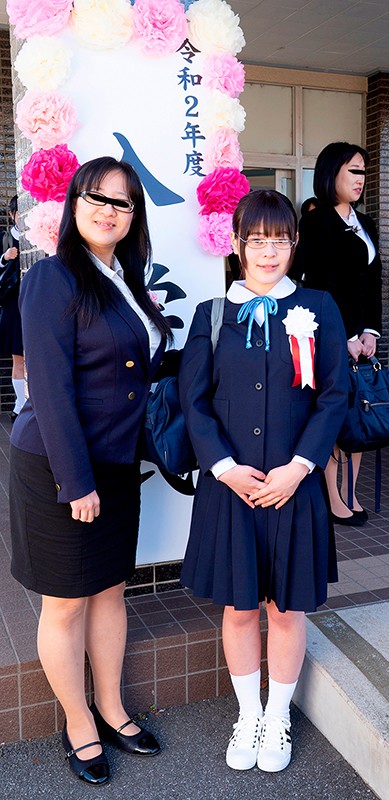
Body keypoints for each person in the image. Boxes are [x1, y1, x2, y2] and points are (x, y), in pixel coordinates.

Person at [9, 157, 172, 785]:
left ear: (134, 217)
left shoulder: (126, 278)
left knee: (109, 590)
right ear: (73, 204)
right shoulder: (51, 278)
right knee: (66, 603)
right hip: (60, 465)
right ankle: (78, 722)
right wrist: (76, 482)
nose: (108, 210)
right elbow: (49, 389)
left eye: (122, 202)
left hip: (117, 461)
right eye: (95, 197)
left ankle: (112, 707)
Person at [179, 189, 348, 773]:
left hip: (294, 488)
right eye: (257, 240)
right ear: (236, 244)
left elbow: (334, 395)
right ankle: (248, 714)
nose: (269, 252)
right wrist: (223, 468)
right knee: (239, 608)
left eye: (280, 240)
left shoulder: (319, 307)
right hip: (231, 490)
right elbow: (194, 401)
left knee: (286, 610)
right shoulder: (212, 315)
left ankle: (278, 717)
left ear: (294, 244)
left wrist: (300, 467)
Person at [291, 141, 382, 526]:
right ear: (332, 174)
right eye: (353, 170)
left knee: (357, 416)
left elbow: (372, 283)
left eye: (363, 171)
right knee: (333, 415)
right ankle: (332, 496)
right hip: (330, 338)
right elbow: (318, 286)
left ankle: (350, 492)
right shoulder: (316, 222)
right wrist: (344, 335)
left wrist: (371, 332)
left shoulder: (366, 222)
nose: (361, 179)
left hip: (362, 340)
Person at [0, 195, 24, 421]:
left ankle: (31, 404)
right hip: (13, 305)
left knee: (36, 358)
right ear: (12, 214)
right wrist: (4, 258)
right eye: (18, 213)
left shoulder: (38, 236)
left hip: (35, 303)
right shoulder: (4, 238)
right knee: (18, 358)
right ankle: (20, 405)